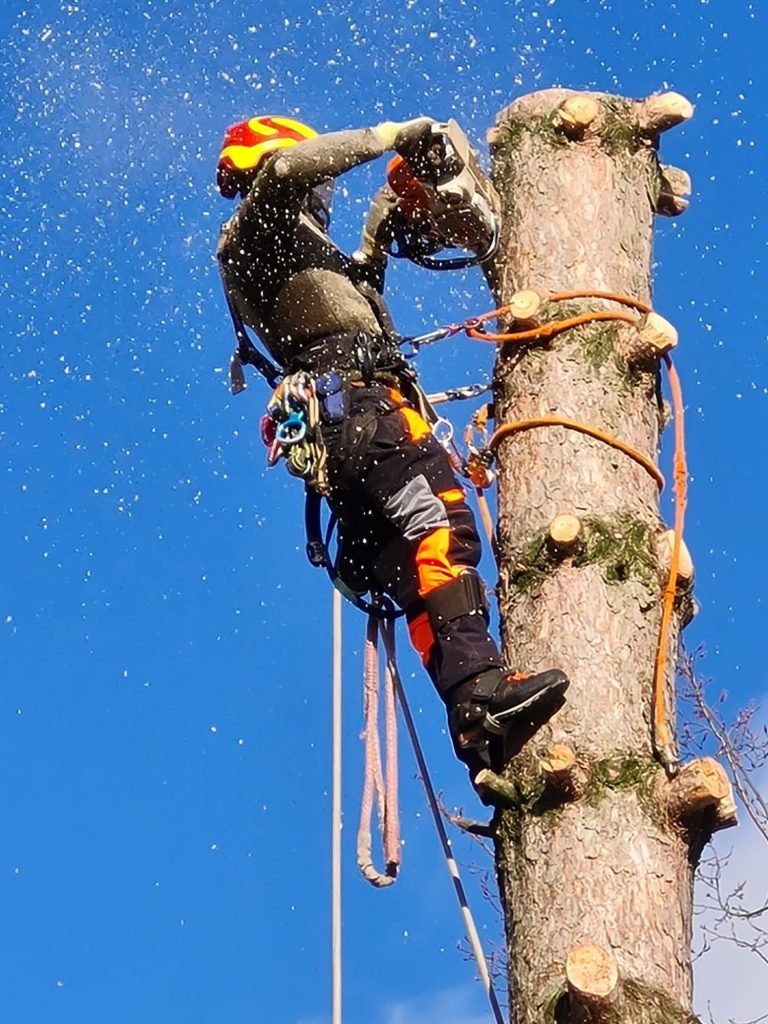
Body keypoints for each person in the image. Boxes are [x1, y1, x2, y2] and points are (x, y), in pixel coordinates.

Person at [216, 114, 569, 785]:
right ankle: (483, 691)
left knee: (418, 576)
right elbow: (292, 171)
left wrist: (389, 208)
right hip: (364, 415)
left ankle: (474, 718)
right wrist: (394, 136)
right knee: (443, 527)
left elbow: (363, 287)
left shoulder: (295, 255)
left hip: (349, 430)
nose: (323, 199)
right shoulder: (255, 230)